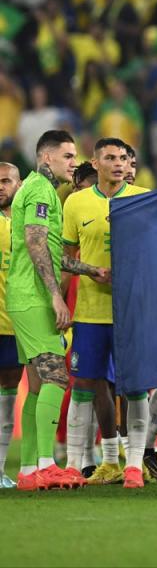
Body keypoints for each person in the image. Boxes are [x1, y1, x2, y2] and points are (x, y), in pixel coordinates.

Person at [8, 130, 108, 491]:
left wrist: (88, 269)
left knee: (37, 387)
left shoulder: (43, 191)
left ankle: (30, 470)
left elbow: (49, 252)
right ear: (47, 157)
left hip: (24, 295)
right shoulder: (38, 190)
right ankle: (49, 464)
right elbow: (36, 244)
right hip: (34, 297)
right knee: (55, 377)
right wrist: (54, 295)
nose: (74, 163)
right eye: (68, 156)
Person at [63, 138, 150, 489]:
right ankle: (106, 461)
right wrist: (91, 270)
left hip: (133, 310)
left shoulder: (144, 197)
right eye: (110, 158)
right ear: (96, 163)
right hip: (91, 309)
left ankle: (135, 464)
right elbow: (64, 256)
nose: (117, 163)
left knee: (135, 386)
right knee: (92, 381)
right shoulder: (77, 203)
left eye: (123, 158)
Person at [0, 162, 22, 488]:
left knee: (6, 401)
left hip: (14, 325)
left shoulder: (26, 224)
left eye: (6, 181)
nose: (0, 186)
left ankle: (1, 470)